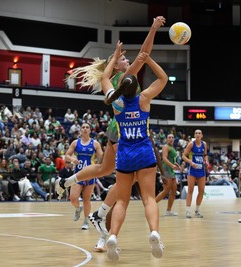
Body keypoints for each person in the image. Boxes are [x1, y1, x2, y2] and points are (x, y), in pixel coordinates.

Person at [60, 16, 166, 252]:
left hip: (117, 127)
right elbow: (144, 52)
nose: (128, 59)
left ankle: (71, 183)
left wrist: (116, 58)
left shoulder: (116, 85)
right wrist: (153, 29)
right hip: (124, 131)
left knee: (106, 170)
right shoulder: (125, 78)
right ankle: (102, 215)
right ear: (118, 65)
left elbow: (108, 75)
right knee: (131, 181)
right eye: (123, 59)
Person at [102, 45, 167, 261]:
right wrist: (148, 60)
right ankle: (154, 233)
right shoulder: (144, 99)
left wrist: (114, 57)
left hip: (125, 156)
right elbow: (164, 79)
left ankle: (112, 236)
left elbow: (104, 77)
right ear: (137, 86)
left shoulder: (117, 103)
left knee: (121, 201)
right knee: (149, 199)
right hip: (145, 154)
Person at [64, 122, 103, 230]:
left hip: (90, 175)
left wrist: (97, 167)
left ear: (90, 130)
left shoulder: (95, 144)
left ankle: (86, 221)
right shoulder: (75, 143)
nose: (85, 129)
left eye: (87, 127)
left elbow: (102, 158)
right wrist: (72, 159)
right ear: (80, 130)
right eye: (83, 127)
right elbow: (66, 156)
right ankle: (77, 209)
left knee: (86, 199)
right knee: (73, 198)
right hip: (78, 174)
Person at [181, 129, 209, 219]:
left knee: (201, 191)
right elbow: (183, 156)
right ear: (194, 135)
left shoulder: (204, 144)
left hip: (201, 170)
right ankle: (188, 211)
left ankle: (197, 210)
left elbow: (205, 155)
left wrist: (206, 161)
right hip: (192, 170)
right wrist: (191, 162)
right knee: (190, 190)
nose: (197, 134)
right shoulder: (191, 144)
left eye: (199, 133)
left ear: (202, 135)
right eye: (196, 133)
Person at [155, 134, 180, 216]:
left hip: (171, 170)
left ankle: (168, 211)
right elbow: (164, 159)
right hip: (166, 170)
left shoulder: (173, 148)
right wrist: (172, 165)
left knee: (173, 191)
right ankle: (151, 206)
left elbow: (172, 159)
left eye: (172, 137)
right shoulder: (166, 147)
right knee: (165, 191)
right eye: (169, 137)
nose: (171, 138)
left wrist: (176, 164)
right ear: (166, 139)